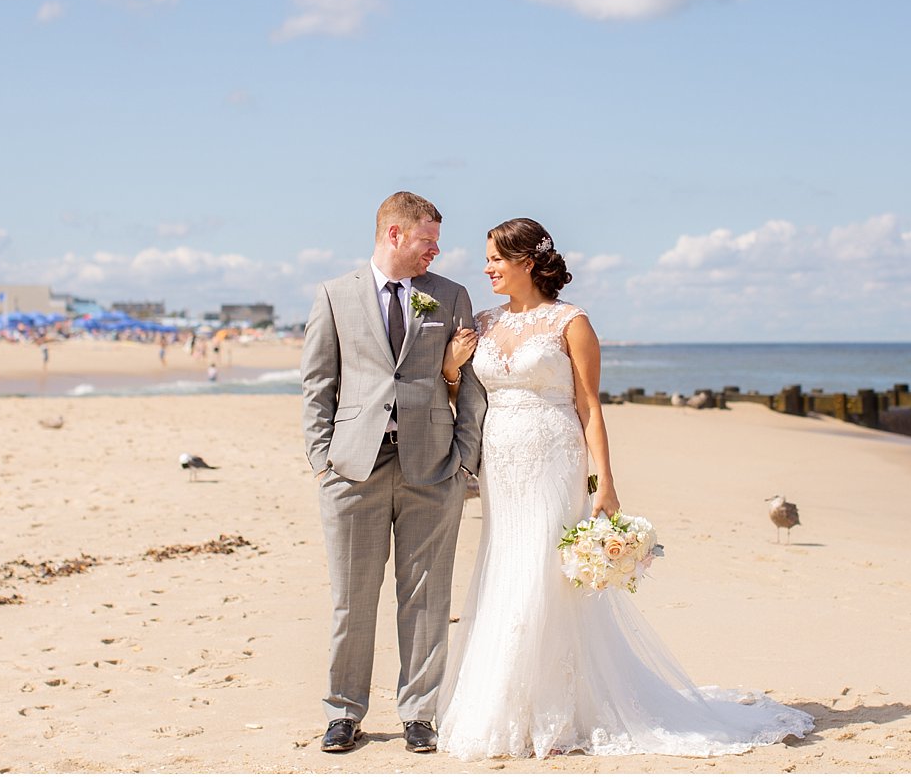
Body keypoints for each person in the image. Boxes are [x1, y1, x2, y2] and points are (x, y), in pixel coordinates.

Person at [435, 218, 814, 760]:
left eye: (495, 257)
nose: (487, 267)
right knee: (505, 565)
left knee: (544, 572)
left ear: (526, 262)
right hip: (502, 464)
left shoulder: (572, 322)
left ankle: (554, 709)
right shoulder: (483, 322)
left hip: (554, 459)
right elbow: (464, 399)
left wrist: (605, 482)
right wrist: (452, 369)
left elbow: (590, 406)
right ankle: (506, 705)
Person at [300, 192, 487, 755]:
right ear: (395, 234)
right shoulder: (334, 295)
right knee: (351, 597)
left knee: (428, 597)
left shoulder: (451, 296)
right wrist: (321, 459)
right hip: (353, 468)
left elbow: (470, 386)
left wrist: (463, 461)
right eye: (428, 239)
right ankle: (344, 712)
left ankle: (420, 714)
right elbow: (317, 385)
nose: (437, 250)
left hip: (432, 468)